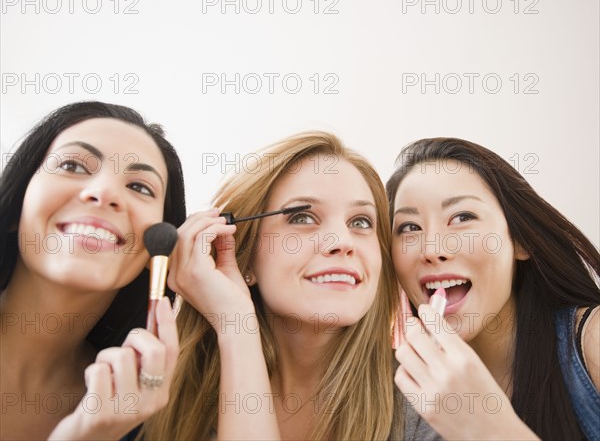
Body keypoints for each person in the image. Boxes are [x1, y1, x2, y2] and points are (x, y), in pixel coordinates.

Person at [142, 131, 435, 440]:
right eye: (303, 217)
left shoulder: (425, 403)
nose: (342, 242)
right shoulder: (159, 393)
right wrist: (236, 325)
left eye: (361, 222)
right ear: (244, 255)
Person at [387, 137, 600, 440]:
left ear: (520, 240)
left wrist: (489, 428)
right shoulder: (401, 400)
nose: (432, 248)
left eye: (462, 217)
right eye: (409, 227)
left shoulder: (592, 340)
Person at [0, 101, 186, 440]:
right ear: (16, 207)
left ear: (156, 247)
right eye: (72, 165)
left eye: (140, 187)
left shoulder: (145, 416)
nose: (104, 193)